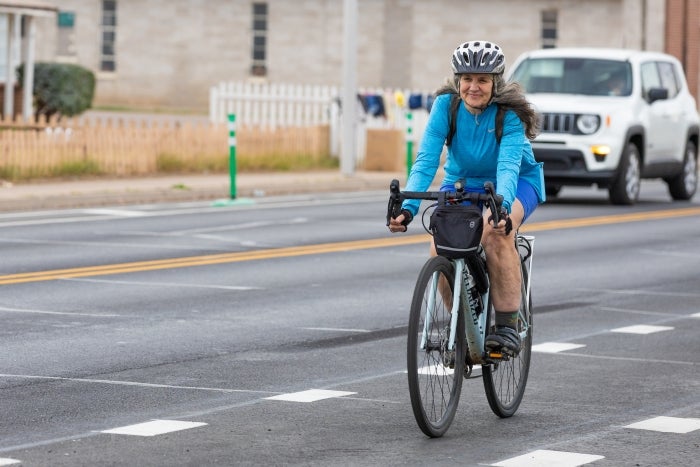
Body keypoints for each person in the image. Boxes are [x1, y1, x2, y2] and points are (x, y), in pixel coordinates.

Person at [388, 40, 546, 356]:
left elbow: (508, 166)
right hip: (460, 183)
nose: (474, 87)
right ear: (458, 80)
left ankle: (506, 327)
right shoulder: (446, 106)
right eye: (467, 79)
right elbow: (427, 159)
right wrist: (407, 208)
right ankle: (464, 323)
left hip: (514, 183)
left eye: (483, 80)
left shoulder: (509, 114)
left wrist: (501, 206)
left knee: (497, 232)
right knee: (439, 249)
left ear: (495, 83)